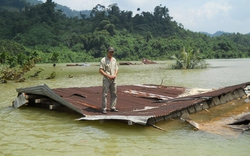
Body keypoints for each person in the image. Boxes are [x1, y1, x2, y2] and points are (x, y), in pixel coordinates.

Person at [99, 47, 119, 114]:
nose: (111, 53)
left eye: (112, 52)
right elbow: (100, 70)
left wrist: (114, 75)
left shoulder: (114, 60)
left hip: (113, 79)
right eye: (110, 52)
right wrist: (109, 76)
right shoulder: (103, 60)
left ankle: (113, 107)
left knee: (114, 93)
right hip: (106, 79)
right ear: (107, 52)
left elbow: (116, 69)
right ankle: (104, 108)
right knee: (105, 94)